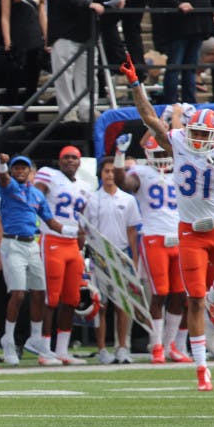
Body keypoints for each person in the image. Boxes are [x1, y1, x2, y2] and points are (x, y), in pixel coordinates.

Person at [121, 53, 214, 391]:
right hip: (188, 231)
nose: (196, 139)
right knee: (192, 298)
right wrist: (135, 85)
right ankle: (202, 369)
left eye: (204, 134)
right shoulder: (178, 141)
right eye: (194, 131)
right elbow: (149, 118)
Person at [114, 134, 192, 365]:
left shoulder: (180, 171)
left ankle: (171, 346)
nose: (162, 158)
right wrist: (119, 155)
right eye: (157, 154)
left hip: (178, 239)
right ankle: (156, 345)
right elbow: (123, 183)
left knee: (179, 294)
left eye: (164, 153)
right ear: (148, 155)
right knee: (160, 293)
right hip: (153, 238)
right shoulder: (143, 173)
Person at [0, 153, 66, 366]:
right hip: (12, 243)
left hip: (31, 244)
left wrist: (74, 231)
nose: (19, 171)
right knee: (17, 294)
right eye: (15, 168)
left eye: (22, 168)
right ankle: (8, 339)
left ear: (30, 172)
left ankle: (35, 339)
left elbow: (51, 222)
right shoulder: (9, 187)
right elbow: (3, 178)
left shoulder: (36, 194)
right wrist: (2, 164)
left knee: (39, 292)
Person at [33, 145, 94, 365]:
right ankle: (44, 350)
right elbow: (35, 197)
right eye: (66, 157)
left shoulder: (86, 186)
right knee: (51, 298)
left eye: (74, 157)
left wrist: (82, 244)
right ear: (59, 161)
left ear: (80, 162)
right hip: (52, 240)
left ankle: (61, 350)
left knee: (72, 299)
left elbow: (84, 221)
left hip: (73, 245)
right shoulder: (50, 175)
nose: (70, 161)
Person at [82, 156, 141, 364]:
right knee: (101, 305)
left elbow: (132, 231)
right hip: (99, 256)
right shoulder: (92, 199)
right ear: (100, 174)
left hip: (121, 254)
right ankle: (102, 349)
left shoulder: (128, 199)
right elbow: (86, 230)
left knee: (123, 305)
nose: (109, 175)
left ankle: (122, 347)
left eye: (112, 171)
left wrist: (134, 259)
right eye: (106, 171)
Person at [46, 0, 104, 123]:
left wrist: (110, 2)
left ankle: (87, 109)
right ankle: (68, 111)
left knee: (88, 74)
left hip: (86, 33)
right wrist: (88, 4)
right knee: (64, 75)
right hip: (65, 31)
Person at [0, 0, 46, 109]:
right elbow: (5, 17)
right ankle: (11, 116)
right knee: (14, 79)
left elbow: (42, 14)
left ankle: (31, 115)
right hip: (18, 37)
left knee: (33, 80)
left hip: (35, 38)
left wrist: (47, 37)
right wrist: (7, 41)